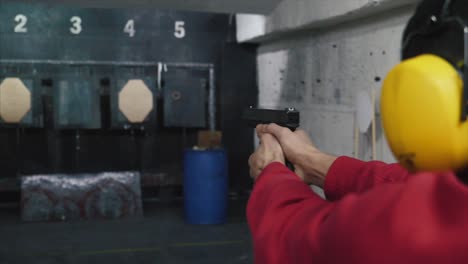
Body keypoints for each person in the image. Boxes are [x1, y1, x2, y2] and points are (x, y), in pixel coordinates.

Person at [247, 0, 468, 263]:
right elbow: (411, 184)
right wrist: (313, 162)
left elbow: (289, 238)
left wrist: (272, 173)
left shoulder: (418, 233)